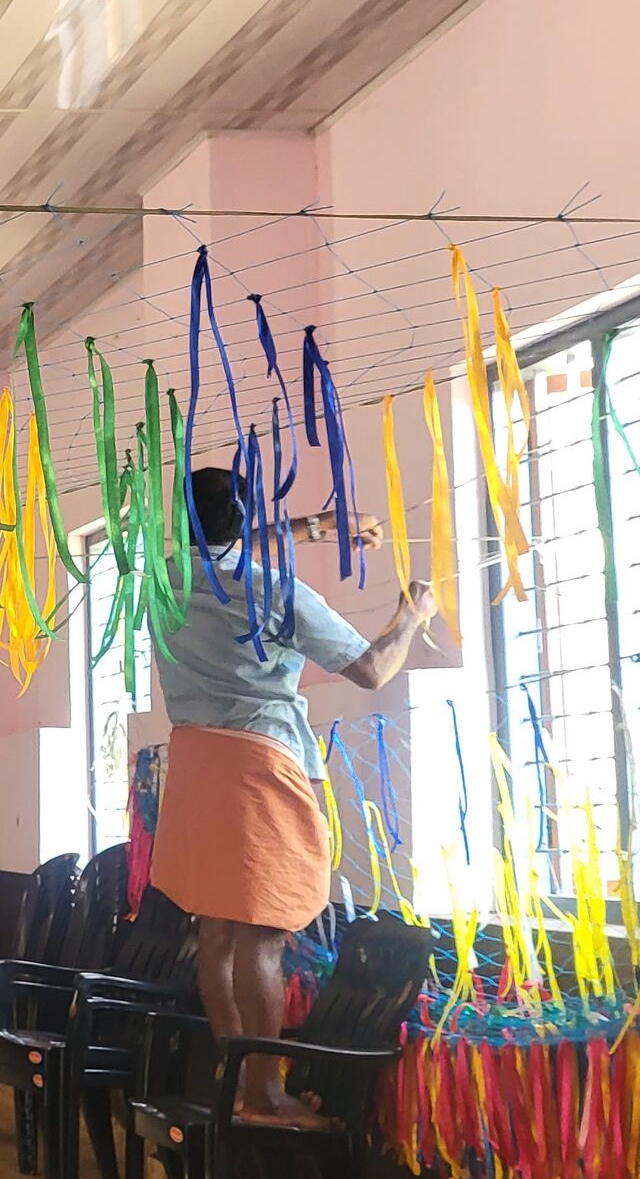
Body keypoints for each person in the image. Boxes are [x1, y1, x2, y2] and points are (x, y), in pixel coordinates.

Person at [149, 467, 435, 1125]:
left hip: (193, 764)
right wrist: (411, 616)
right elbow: (372, 669)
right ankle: (262, 1094)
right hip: (260, 765)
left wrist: (318, 528)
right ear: (244, 518)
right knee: (263, 936)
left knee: (217, 928)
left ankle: (235, 1077)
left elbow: (220, 547)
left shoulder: (161, 582)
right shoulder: (273, 592)